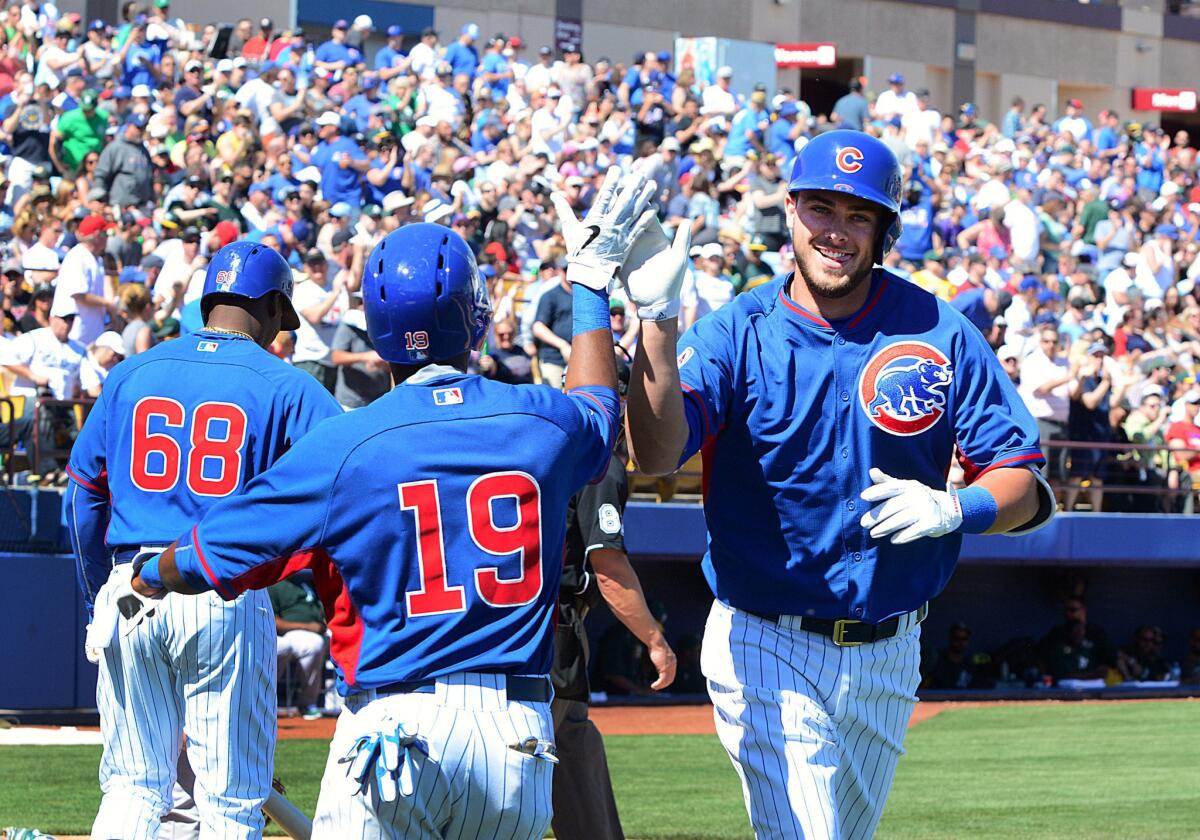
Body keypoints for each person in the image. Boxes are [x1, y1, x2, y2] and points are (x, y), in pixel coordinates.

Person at [121, 170, 654, 836]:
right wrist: (591, 289)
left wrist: (150, 574)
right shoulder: (541, 421)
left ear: (376, 328)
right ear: (477, 315)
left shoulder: (344, 442)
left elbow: (215, 549)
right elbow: (600, 407)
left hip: (396, 725)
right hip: (517, 733)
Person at [621, 130, 1054, 839]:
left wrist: (959, 506)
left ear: (886, 231)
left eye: (859, 216)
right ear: (791, 213)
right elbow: (659, 451)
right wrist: (659, 327)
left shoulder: (938, 330)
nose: (837, 231)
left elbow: (1023, 484)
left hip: (891, 649)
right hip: (765, 637)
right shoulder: (739, 330)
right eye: (821, 208)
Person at [63, 242, 342, 838]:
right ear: (269, 306)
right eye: (281, 319)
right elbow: (355, 471)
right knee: (231, 798)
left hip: (129, 582)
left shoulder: (131, 371)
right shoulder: (285, 384)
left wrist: (96, 599)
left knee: (133, 787)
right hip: (221, 587)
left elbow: (83, 496)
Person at [550, 354, 676, 840]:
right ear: (620, 400)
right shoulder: (599, 458)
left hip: (508, 620)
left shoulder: (542, 441)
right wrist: (655, 640)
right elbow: (608, 568)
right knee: (542, 753)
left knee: (572, 742)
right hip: (548, 627)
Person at [269, 574, 329, 720]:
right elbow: (274, 622)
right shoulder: (275, 584)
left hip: (321, 630)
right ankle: (306, 704)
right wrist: (308, 627)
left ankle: (344, 701)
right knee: (313, 644)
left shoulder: (308, 582)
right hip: (290, 633)